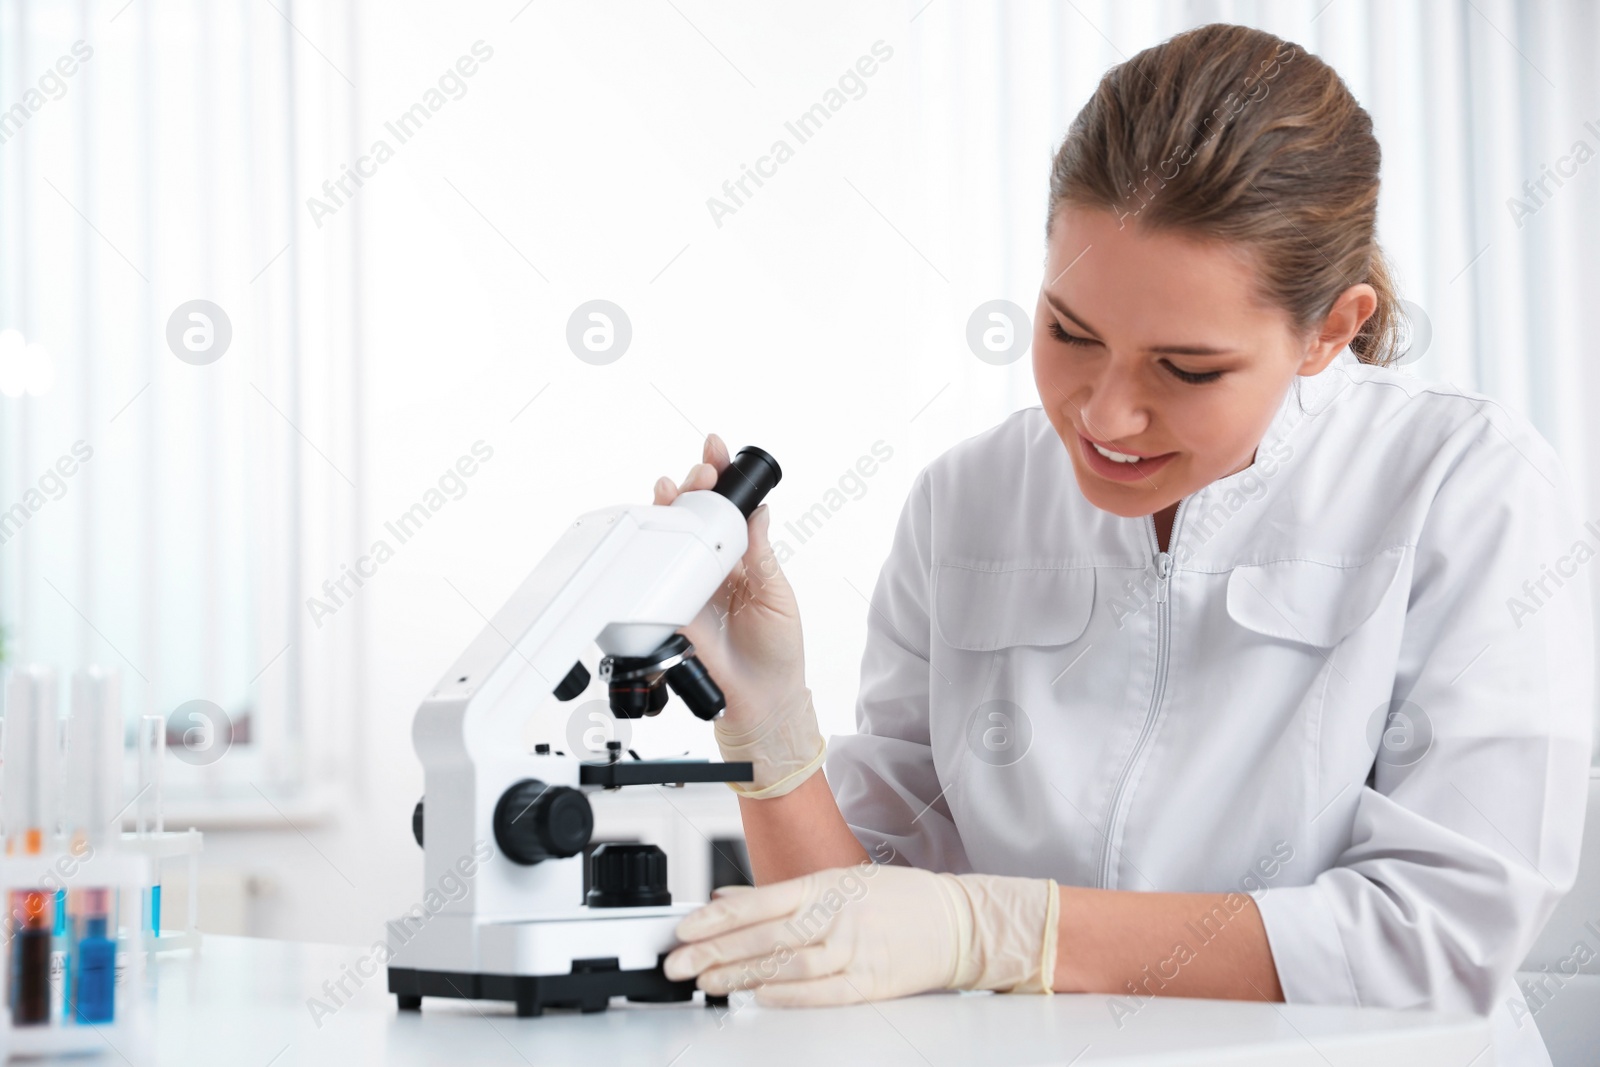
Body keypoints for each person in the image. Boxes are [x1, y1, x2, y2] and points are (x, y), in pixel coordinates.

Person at [657, 22, 1594, 1066]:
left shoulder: (1461, 482)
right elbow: (846, 929)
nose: (1104, 414)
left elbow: (1439, 936)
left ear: (1331, 328)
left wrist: (1003, 928)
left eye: (1185, 369)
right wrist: (771, 730)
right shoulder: (969, 499)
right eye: (1068, 332)